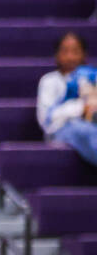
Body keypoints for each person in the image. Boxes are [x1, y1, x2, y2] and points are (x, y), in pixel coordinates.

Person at [36, 31, 97, 168]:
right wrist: (80, 108)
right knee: (81, 130)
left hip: (92, 127)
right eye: (65, 51)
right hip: (60, 132)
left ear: (84, 55)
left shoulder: (92, 77)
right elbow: (46, 120)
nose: (70, 57)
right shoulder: (49, 81)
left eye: (75, 51)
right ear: (57, 55)